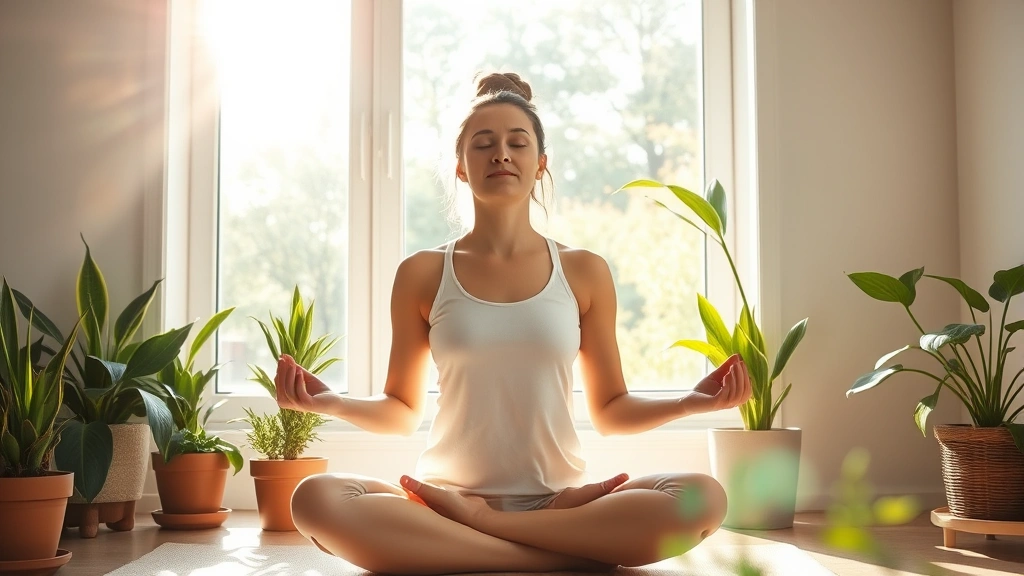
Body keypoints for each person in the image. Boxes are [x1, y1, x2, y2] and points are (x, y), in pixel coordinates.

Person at [275, 72, 752, 574]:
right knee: (315, 497)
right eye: (483, 145)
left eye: (516, 143)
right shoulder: (421, 273)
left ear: (539, 164)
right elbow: (401, 410)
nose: (500, 154)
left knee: (703, 497)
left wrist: (691, 402)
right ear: (461, 168)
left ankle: (485, 539)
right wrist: (328, 402)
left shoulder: (584, 270)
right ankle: (557, 556)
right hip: (443, 503)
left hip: (559, 503)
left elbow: (611, 410)